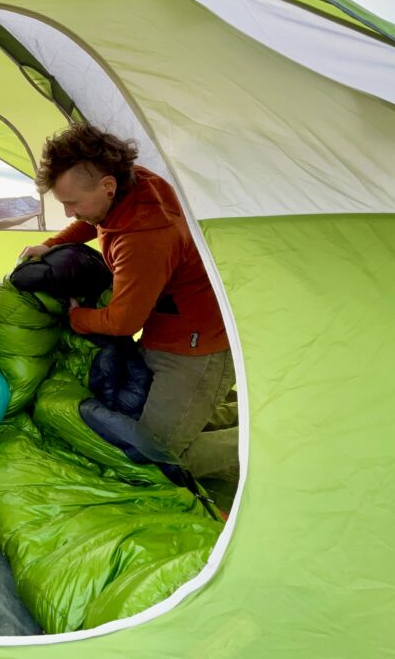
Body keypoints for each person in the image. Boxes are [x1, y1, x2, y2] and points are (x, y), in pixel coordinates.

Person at [21, 124, 236, 480]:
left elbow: (122, 323)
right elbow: (96, 222)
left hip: (196, 351)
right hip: (168, 330)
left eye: (71, 203)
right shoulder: (131, 185)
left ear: (107, 186)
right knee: (158, 418)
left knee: (156, 455)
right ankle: (233, 412)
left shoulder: (144, 240)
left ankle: (263, 445)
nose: (70, 213)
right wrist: (54, 243)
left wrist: (78, 318)